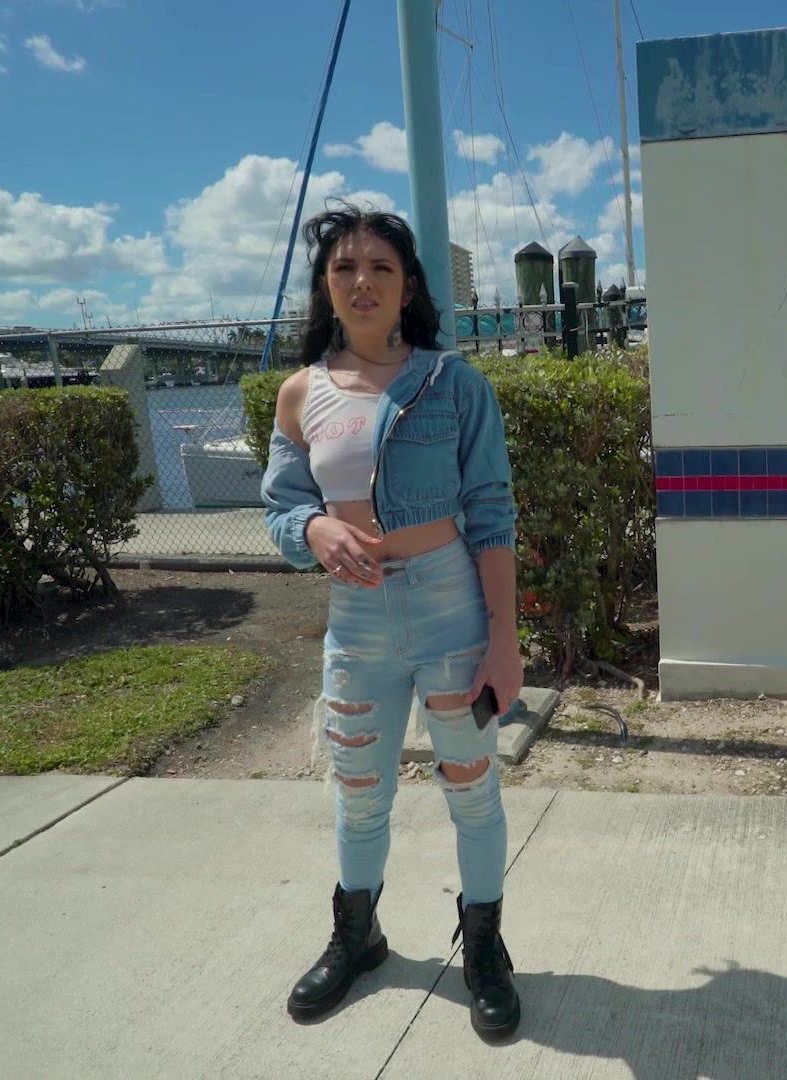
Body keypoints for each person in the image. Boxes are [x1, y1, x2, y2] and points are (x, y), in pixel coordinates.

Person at [260, 203, 524, 1040]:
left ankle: (484, 947)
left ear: (408, 285)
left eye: (381, 267)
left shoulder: (455, 384)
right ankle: (358, 935)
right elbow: (281, 506)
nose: (362, 281)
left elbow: (492, 514)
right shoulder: (300, 394)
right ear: (325, 287)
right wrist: (314, 528)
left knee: (472, 791)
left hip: (452, 611)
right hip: (358, 623)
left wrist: (505, 640)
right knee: (360, 793)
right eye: (345, 268)